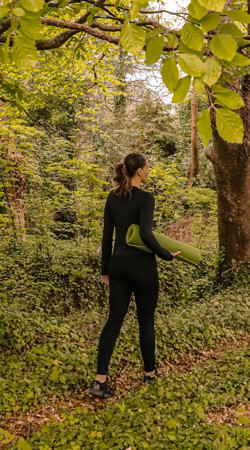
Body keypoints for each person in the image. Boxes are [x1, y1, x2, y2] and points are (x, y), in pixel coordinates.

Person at [89, 153, 181, 398]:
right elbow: (147, 235)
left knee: (113, 321)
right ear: (139, 171)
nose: (149, 170)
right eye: (147, 167)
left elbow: (107, 236)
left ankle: (99, 381)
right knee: (146, 322)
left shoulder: (112, 197)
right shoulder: (146, 198)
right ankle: (150, 375)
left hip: (118, 267)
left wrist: (105, 270)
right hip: (143, 269)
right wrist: (166, 255)